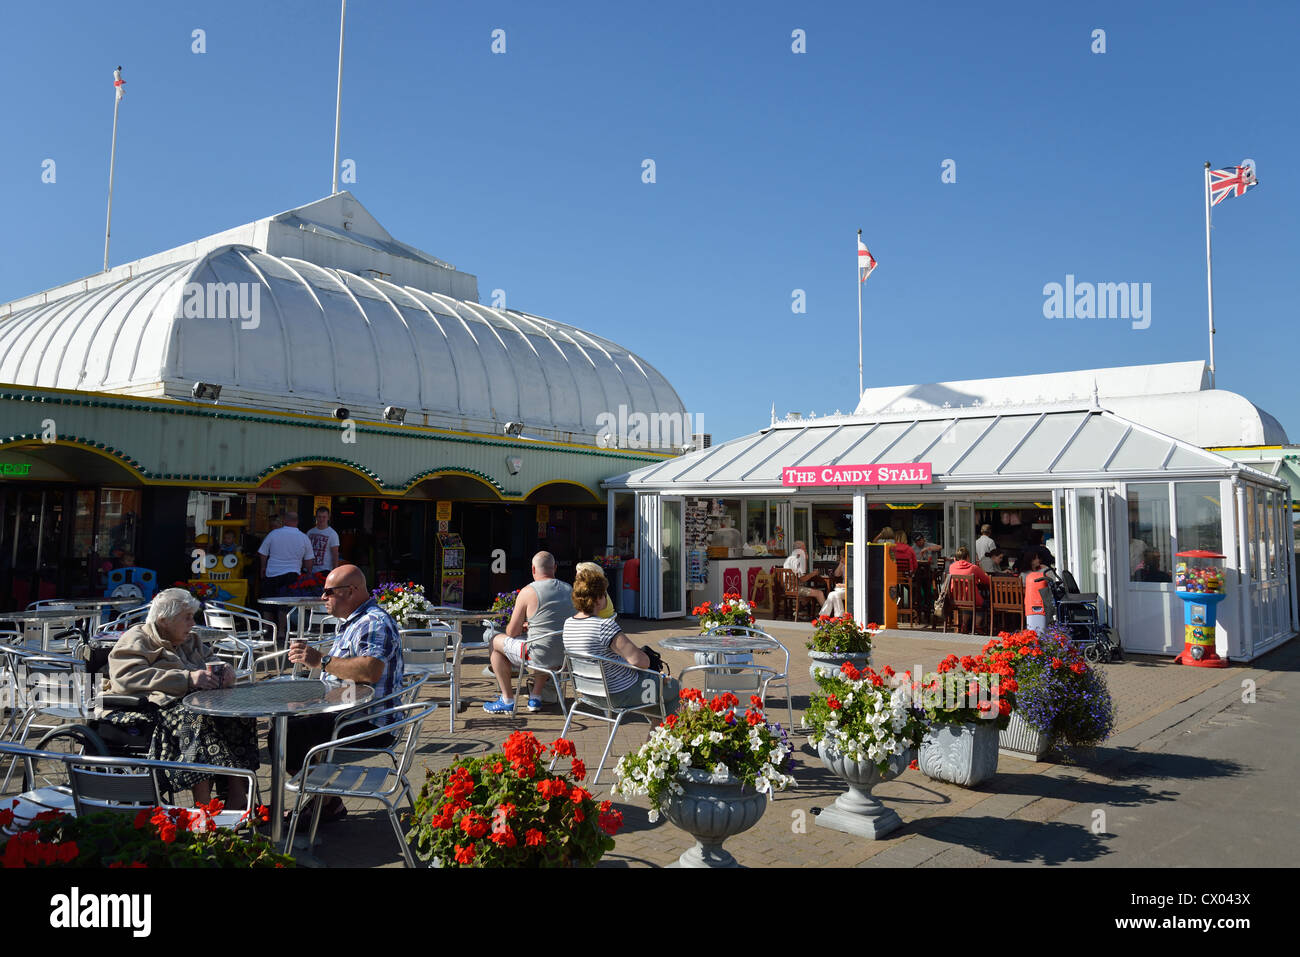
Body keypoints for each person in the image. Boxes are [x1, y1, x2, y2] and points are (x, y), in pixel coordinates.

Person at [103, 588, 257, 805]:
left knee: (239, 713)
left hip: (188, 705)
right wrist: (187, 679)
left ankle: (236, 794)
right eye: (187, 618)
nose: (192, 623)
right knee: (198, 719)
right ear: (164, 620)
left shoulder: (189, 639)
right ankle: (203, 806)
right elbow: (126, 677)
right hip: (143, 708)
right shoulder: (138, 638)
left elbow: (211, 658)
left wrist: (225, 670)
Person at [282, 564, 404, 823]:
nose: (323, 597)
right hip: (349, 712)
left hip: (370, 722)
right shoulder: (355, 621)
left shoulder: (373, 622)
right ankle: (326, 802)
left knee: (285, 736)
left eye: (329, 592)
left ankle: (324, 802)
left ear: (351, 591)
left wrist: (321, 661)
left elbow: (370, 670)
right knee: (285, 722)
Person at [563, 564, 679, 713]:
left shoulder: (568, 624)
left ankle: (657, 734)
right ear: (598, 599)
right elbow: (640, 661)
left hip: (589, 692)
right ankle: (666, 735)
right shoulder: (604, 626)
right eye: (605, 594)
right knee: (675, 688)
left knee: (658, 704)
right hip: (619, 692)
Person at [483, 551, 573, 714]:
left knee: (495, 641)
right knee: (545, 643)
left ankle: (507, 699)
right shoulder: (569, 589)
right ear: (555, 568)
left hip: (537, 655)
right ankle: (535, 697)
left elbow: (512, 632)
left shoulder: (528, 591)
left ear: (533, 569)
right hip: (564, 656)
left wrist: (523, 626)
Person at [258, 510, 312, 597]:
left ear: (284, 520)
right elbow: (309, 559)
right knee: (286, 606)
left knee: (268, 604)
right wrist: (309, 573)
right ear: (297, 521)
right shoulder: (304, 538)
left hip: (272, 574)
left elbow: (263, 553)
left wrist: (263, 567)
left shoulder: (273, 534)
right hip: (292, 576)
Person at [782, 539, 825, 607]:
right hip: (795, 589)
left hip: (787, 588)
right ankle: (826, 614)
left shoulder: (789, 559)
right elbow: (803, 579)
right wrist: (813, 573)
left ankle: (800, 612)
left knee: (808, 595)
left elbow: (801, 575)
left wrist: (805, 559)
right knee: (819, 593)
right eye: (804, 548)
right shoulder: (797, 560)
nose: (805, 550)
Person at [1021, 551, 1054, 633]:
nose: (1038, 560)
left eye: (1038, 558)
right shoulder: (1025, 574)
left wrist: (1046, 568)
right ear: (1030, 561)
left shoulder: (1043, 570)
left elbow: (1052, 580)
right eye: (1035, 558)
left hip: (1036, 602)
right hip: (1032, 601)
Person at [307, 506, 341, 574]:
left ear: (328, 518)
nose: (321, 519)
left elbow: (335, 555)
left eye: (324, 517)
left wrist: (335, 572)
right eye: (319, 516)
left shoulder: (332, 534)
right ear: (316, 517)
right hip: (309, 570)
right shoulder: (310, 532)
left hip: (325, 571)